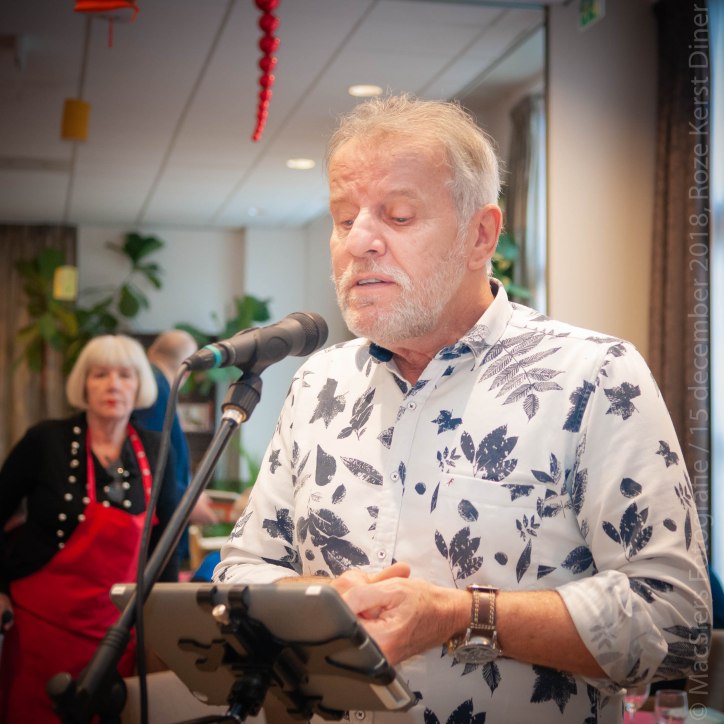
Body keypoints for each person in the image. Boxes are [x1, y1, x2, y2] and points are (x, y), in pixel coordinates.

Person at [214, 94, 712, 722]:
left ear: (481, 235)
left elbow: (677, 623)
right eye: (343, 218)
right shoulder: (318, 383)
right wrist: (320, 602)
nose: (358, 241)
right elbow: (241, 571)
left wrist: (460, 616)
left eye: (398, 216)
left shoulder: (594, 376)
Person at [0, 334, 180, 723]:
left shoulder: (156, 448)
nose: (113, 385)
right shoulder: (45, 440)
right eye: (100, 375)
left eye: (125, 375)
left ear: (140, 386)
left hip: (117, 634)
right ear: (83, 384)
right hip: (39, 630)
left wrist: (162, 619)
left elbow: (168, 541)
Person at [135, 329, 218, 562]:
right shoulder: (155, 390)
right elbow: (155, 459)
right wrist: (186, 501)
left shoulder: (156, 386)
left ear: (152, 352)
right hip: (158, 519)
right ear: (187, 369)